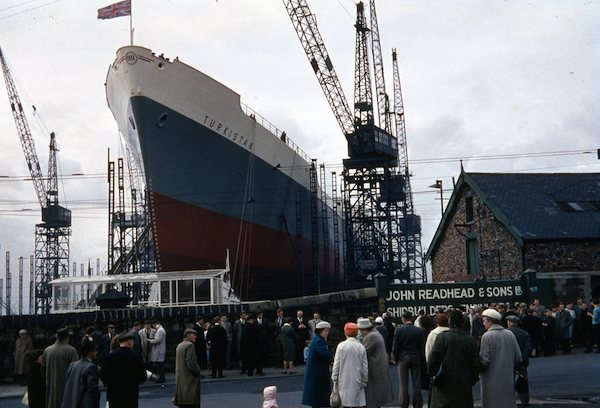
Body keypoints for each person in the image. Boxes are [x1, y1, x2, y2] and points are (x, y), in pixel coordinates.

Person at [428, 310, 480, 408]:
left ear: (449, 321)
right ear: (463, 323)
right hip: (464, 382)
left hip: (443, 383)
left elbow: (432, 360)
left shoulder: (441, 337)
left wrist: (434, 376)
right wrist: (472, 379)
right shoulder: (470, 340)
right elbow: (475, 363)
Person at [479, 308, 522, 408]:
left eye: (484, 320)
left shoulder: (487, 336)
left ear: (490, 321)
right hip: (507, 379)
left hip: (490, 380)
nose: (483, 324)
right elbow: (518, 357)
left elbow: (484, 361)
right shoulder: (510, 334)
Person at [100, 333, 147, 408]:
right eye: (132, 341)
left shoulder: (110, 357)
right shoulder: (136, 356)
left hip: (114, 394)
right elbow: (142, 377)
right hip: (131, 394)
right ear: (129, 342)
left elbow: (103, 375)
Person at [359, 317, 393, 408]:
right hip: (379, 367)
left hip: (375, 369)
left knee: (373, 397)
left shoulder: (371, 337)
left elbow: (363, 353)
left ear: (364, 329)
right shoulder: (375, 333)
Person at [331, 322, 368, 408]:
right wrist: (364, 380)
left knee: (344, 403)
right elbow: (365, 366)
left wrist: (334, 379)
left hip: (343, 380)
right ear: (356, 333)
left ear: (345, 332)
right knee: (356, 403)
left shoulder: (341, 346)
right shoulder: (361, 347)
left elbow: (336, 364)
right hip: (357, 379)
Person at [393, 311, 424, 408]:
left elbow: (395, 347)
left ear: (403, 318)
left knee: (403, 384)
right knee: (417, 383)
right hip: (415, 357)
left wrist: (396, 359)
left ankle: (403, 403)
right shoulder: (419, 330)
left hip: (403, 358)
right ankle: (418, 404)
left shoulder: (399, 330)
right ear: (412, 318)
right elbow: (421, 346)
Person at [42, 327, 79, 408]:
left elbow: (43, 370)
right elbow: (76, 371)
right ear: (67, 337)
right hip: (66, 388)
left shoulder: (47, 350)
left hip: (51, 387)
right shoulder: (71, 350)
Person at [301, 320, 333, 408]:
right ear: (320, 331)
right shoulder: (318, 341)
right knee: (317, 397)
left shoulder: (318, 339)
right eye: (325, 331)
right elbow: (325, 354)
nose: (327, 333)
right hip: (317, 373)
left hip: (317, 372)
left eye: (328, 331)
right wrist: (335, 358)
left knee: (317, 397)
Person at [60, 341, 100, 408]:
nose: (96, 352)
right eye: (95, 351)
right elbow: (93, 390)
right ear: (90, 352)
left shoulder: (72, 365)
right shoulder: (91, 367)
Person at [506, 315, 532, 407]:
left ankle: (509, 400)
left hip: (508, 362)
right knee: (523, 381)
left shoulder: (506, 334)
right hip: (522, 362)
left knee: (508, 381)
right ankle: (525, 401)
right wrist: (521, 357)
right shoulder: (524, 333)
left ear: (509, 323)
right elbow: (528, 348)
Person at [173, 329, 202, 408]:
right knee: (192, 403)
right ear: (188, 335)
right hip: (189, 381)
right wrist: (198, 371)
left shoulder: (180, 345)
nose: (195, 337)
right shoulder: (190, 345)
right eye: (193, 335)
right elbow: (191, 363)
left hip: (181, 380)